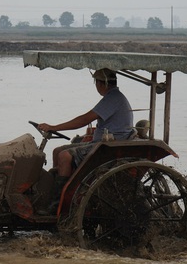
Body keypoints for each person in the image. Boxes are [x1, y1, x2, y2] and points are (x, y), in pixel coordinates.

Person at [37, 68, 134, 212]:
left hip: (105, 148)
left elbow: (83, 120)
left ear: (101, 84)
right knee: (58, 151)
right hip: (102, 143)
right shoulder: (113, 98)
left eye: (96, 83)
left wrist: (53, 127)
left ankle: (58, 206)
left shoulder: (113, 99)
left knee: (64, 156)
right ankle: (55, 192)